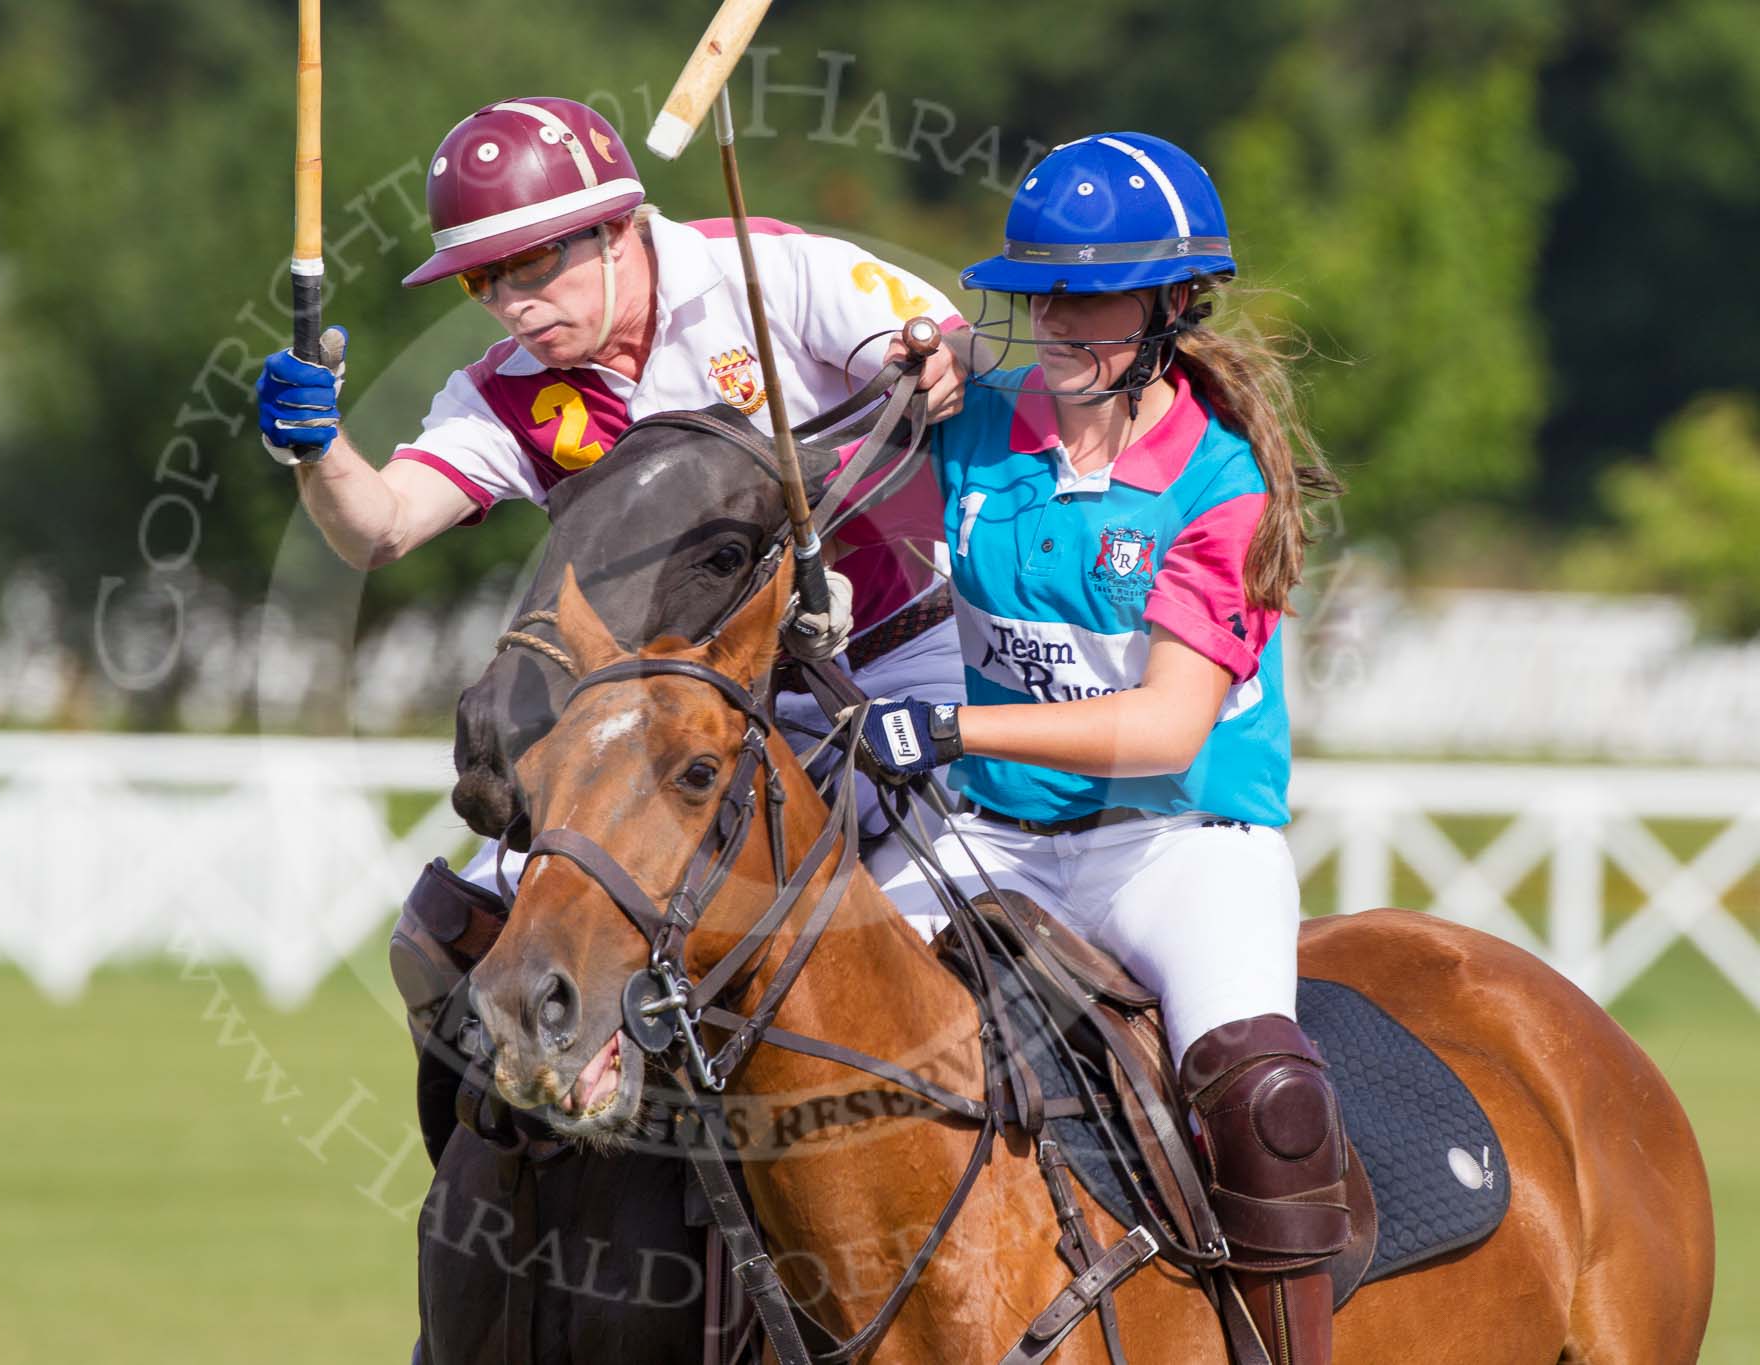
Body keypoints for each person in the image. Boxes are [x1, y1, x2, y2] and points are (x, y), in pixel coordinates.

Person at [254, 95, 968, 1146]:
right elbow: (383, 527)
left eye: (534, 264)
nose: (511, 302)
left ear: (619, 226)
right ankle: (505, 1236)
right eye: (483, 279)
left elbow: (944, 352)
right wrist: (320, 451)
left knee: (912, 948)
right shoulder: (501, 392)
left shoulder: (769, 274)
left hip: (896, 669)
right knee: (472, 932)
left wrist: (935, 363)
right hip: (686, 729)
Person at [853, 132, 1350, 1364]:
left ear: (1174, 307)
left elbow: (1160, 727)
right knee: (797, 1043)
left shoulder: (1220, 488)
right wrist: (909, 353)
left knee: (1265, 1103)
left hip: (1175, 850)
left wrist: (952, 724)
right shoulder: (981, 425)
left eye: (1094, 298)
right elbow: (810, 377)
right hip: (986, 842)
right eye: (1042, 297)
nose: (1061, 323)